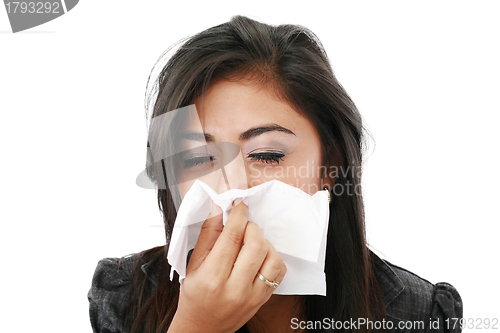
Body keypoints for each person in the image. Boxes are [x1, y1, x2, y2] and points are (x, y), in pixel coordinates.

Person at [88, 15, 462, 333]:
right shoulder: (123, 297)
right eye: (198, 158)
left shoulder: (417, 313)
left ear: (330, 167)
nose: (232, 187)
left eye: (265, 155)